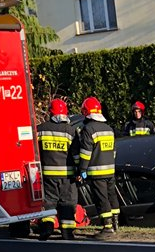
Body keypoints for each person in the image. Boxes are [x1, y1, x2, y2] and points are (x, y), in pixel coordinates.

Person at [37, 98, 79, 240]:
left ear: (50, 112)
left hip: (48, 175)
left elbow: (34, 151)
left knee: (49, 202)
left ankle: (46, 228)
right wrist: (79, 171)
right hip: (67, 176)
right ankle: (67, 233)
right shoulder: (71, 131)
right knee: (67, 203)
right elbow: (77, 155)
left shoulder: (40, 129)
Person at [78, 97, 119, 234]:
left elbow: (85, 153)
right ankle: (115, 223)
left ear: (86, 112)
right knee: (111, 196)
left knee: (102, 199)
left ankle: (107, 227)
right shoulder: (109, 129)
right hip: (110, 170)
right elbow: (113, 151)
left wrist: (82, 169)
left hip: (97, 172)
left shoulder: (88, 129)